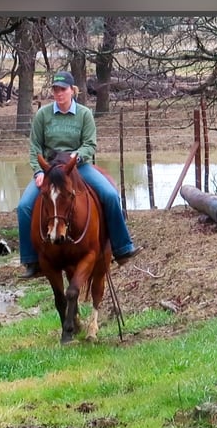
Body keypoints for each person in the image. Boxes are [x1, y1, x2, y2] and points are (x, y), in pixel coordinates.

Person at [17, 71, 142, 278]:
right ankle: (31, 260)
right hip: (50, 170)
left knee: (110, 195)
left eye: (63, 89)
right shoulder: (42, 115)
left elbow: (90, 144)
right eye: (56, 90)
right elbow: (35, 148)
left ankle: (122, 248)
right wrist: (39, 171)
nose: (59, 94)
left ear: (72, 91)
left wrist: (77, 158)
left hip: (78, 166)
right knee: (24, 207)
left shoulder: (84, 114)